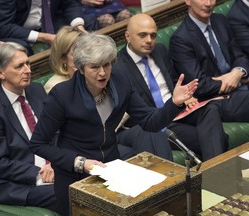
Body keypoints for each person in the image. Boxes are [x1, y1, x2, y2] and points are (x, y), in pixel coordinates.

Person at [29, 32, 198, 215]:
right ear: (81, 68)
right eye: (94, 67)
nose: (102, 73)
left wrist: (174, 103)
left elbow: (150, 123)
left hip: (110, 171)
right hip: (74, 178)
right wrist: (79, 162)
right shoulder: (62, 95)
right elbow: (38, 144)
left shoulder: (120, 81)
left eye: (106, 65)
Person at [113, 13, 228, 161]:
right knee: (219, 139)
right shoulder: (118, 66)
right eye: (143, 35)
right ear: (128, 36)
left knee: (210, 109)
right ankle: (217, 174)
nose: (149, 40)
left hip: (178, 110)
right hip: (156, 121)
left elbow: (173, 81)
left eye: (153, 36)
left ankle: (215, 172)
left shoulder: (159, 51)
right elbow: (135, 110)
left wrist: (184, 96)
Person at [0, 42, 58, 213]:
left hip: (53, 168)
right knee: (66, 192)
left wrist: (56, 163)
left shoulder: (36, 91)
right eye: (19, 66)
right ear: (0, 73)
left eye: (28, 63)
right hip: (18, 183)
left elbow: (56, 131)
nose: (28, 70)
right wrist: (40, 172)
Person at [169, 0, 249, 123]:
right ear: (188, 1)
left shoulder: (220, 21)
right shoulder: (180, 39)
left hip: (241, 85)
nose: (208, 3)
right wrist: (232, 81)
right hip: (217, 99)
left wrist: (238, 73)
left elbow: (240, 56)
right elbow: (199, 85)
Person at [0, 0, 99, 55]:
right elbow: (3, 26)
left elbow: (69, 3)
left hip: (50, 19)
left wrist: (78, 27)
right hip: (20, 29)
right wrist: (44, 37)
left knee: (88, 24)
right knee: (21, 47)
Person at [44, 26, 83, 94]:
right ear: (63, 59)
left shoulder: (92, 75)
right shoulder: (54, 86)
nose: (83, 56)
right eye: (76, 53)